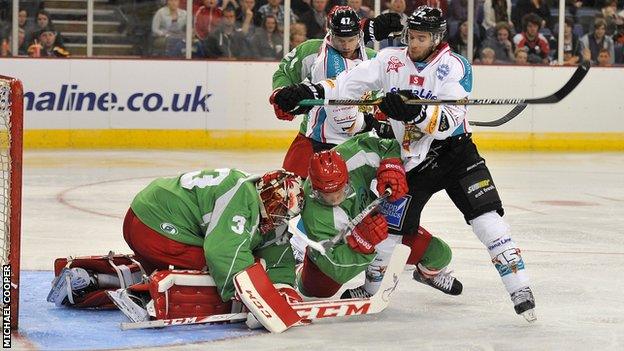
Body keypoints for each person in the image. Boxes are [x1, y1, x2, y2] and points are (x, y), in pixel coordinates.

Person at [271, 5, 536, 321]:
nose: (414, 43)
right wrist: (305, 92)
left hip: (455, 153)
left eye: (421, 38)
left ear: (436, 38)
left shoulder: (454, 67)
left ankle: (519, 287)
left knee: (487, 221)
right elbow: (344, 84)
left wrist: (414, 112)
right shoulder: (390, 59)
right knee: (390, 231)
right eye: (411, 36)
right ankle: (372, 290)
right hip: (413, 161)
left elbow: (450, 120)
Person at [47, 168, 305, 322]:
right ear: (270, 200)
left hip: (147, 218)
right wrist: (254, 298)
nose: (281, 220)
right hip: (156, 229)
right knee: (213, 273)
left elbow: (277, 250)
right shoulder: (243, 202)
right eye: (280, 212)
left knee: (175, 265)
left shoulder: (260, 195)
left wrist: (284, 287)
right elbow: (223, 254)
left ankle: (91, 278)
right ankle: (145, 296)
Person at [297, 134, 462, 300]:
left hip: (378, 225)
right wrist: (363, 243)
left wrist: (391, 167)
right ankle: (300, 271)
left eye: (340, 190)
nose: (334, 199)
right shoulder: (313, 213)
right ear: (315, 189)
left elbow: (388, 146)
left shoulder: (353, 156)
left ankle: (427, 275)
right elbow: (336, 266)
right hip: (345, 246)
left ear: (347, 176)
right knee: (317, 290)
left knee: (439, 254)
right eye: (326, 194)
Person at [270, 6, 403, 178]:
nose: (346, 46)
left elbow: (382, 97)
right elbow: (285, 72)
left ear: (360, 36)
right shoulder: (312, 51)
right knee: (288, 189)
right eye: (340, 40)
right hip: (314, 139)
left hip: (358, 140)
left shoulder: (374, 60)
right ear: (330, 34)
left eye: (351, 39)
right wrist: (282, 94)